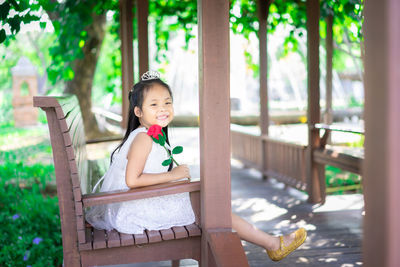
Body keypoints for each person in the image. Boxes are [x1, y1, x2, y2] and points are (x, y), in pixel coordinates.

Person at [86, 71, 307, 262]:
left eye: (167, 102)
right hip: (135, 212)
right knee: (212, 210)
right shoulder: (143, 138)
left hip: (139, 202)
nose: (163, 108)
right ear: (138, 112)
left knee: (207, 202)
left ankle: (272, 243)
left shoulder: (150, 135)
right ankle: (272, 244)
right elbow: (132, 181)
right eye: (154, 104)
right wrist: (173, 176)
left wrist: (175, 177)